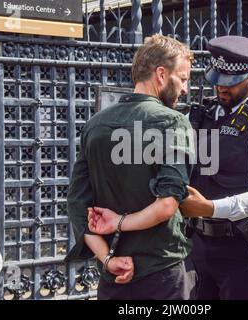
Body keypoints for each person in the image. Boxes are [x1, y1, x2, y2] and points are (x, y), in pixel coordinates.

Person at [65, 34, 198, 300]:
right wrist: (120, 222)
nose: (185, 89)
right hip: (162, 271)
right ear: (161, 74)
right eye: (182, 79)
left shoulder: (95, 124)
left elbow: (77, 205)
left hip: (114, 275)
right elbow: (167, 205)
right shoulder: (173, 122)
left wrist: (107, 259)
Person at [179, 36, 248, 299]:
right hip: (197, 248)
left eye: (231, 83)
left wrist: (210, 208)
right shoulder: (197, 116)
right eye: (217, 80)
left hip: (243, 251)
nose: (221, 89)